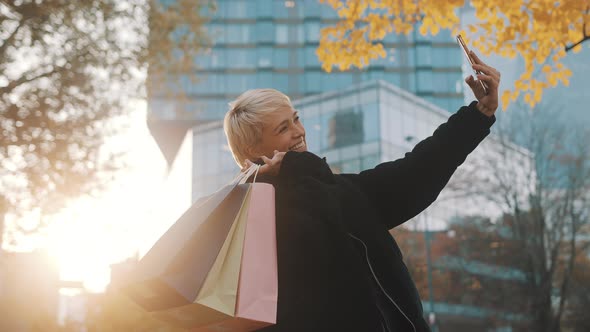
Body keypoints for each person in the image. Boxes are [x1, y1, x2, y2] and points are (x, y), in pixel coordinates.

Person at [223, 52, 500, 332]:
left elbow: (413, 174)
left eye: (296, 119)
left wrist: (479, 114)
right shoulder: (251, 221)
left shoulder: (339, 191)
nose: (299, 132)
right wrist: (298, 168)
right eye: (284, 128)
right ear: (253, 151)